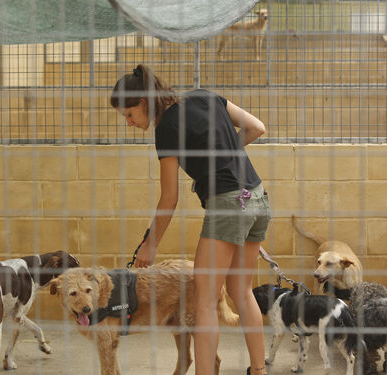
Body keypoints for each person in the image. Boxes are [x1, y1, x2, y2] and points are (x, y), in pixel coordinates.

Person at [110, 64, 270, 375]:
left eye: (129, 115)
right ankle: (259, 370)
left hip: (227, 205)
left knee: (205, 301)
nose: (129, 123)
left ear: (143, 103)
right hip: (257, 197)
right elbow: (257, 127)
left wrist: (149, 245)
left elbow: (169, 198)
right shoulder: (205, 96)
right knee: (242, 289)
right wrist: (225, 158)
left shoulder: (166, 128)